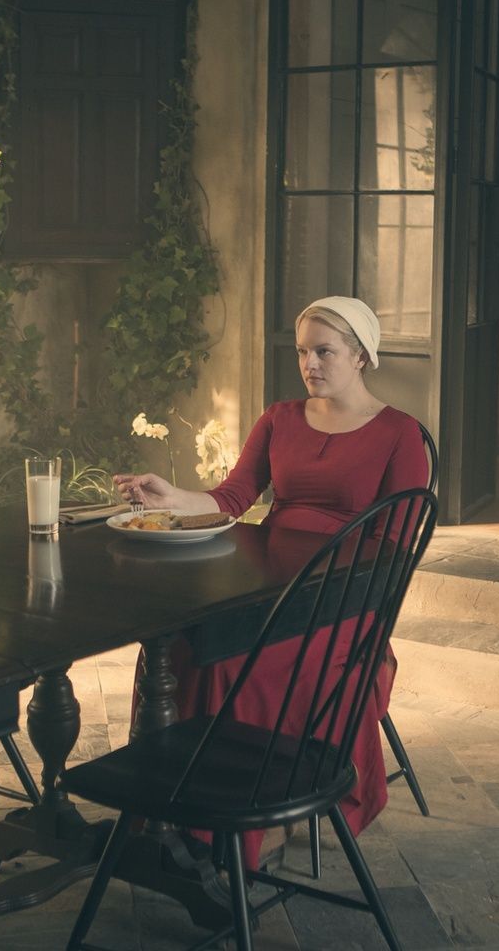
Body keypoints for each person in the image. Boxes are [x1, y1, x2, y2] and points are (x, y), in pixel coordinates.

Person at [114, 295, 429, 869]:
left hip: (342, 603)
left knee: (235, 664)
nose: (310, 363)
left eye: (324, 351)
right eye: (303, 352)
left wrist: (332, 586)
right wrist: (172, 497)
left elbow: (395, 549)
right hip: (268, 581)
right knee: (184, 647)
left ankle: (241, 823)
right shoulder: (280, 418)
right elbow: (233, 498)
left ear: (361, 356)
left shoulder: (399, 434)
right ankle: (171, 810)